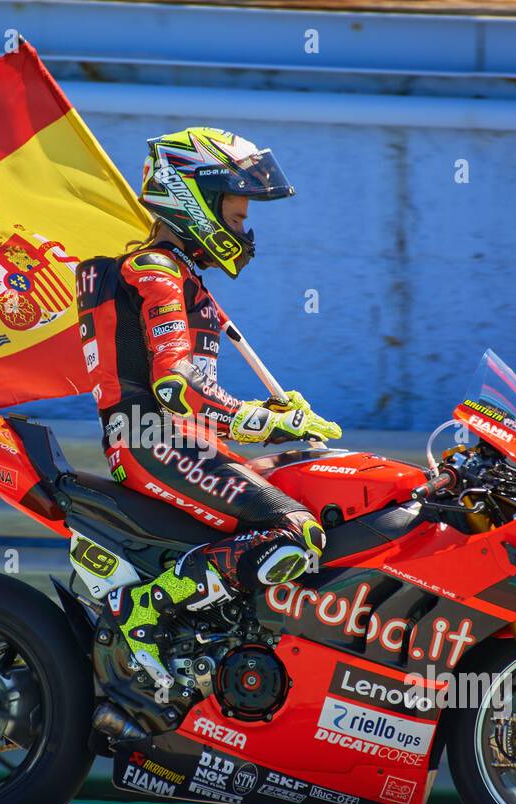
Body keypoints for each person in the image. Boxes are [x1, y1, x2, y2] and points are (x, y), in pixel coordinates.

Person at [74, 127, 342, 687]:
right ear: (193, 199)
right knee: (296, 532)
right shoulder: (156, 271)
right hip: (152, 439)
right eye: (238, 214)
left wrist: (279, 416)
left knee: (318, 481)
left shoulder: (179, 275)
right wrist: (263, 421)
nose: (245, 229)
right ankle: (143, 610)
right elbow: (176, 387)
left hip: (180, 442)